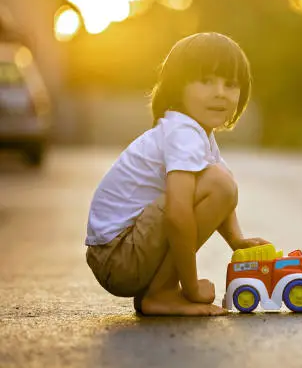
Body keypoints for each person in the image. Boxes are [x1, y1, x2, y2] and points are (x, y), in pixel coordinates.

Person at [85, 32, 270, 316]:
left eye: (230, 84)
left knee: (220, 179)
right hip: (118, 256)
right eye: (206, 81)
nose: (220, 92)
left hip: (120, 254)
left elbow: (218, 192)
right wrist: (190, 285)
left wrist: (237, 241)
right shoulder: (182, 132)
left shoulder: (195, 132)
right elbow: (179, 212)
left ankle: (159, 291)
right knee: (220, 183)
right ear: (177, 87)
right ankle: (163, 293)